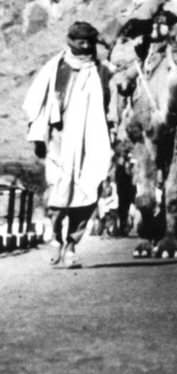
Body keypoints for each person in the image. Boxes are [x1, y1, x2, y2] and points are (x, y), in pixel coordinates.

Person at [23, 21, 114, 268]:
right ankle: (54, 238)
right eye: (80, 41)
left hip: (91, 142)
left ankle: (72, 245)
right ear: (69, 41)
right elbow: (36, 104)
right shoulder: (55, 68)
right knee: (57, 193)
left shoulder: (103, 71)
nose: (84, 47)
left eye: (89, 42)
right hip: (59, 141)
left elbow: (111, 108)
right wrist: (38, 137)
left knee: (87, 193)